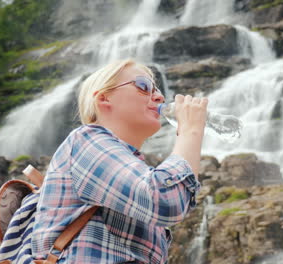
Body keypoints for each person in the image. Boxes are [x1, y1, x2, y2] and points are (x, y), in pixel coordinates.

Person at [31, 59, 207, 263]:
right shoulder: (86, 140)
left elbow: (174, 199)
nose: (159, 97)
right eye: (144, 86)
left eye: (157, 90)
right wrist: (191, 131)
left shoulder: (135, 170)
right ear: (104, 98)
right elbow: (166, 201)